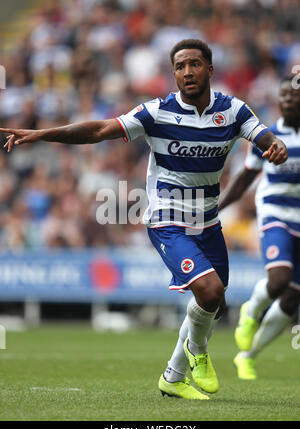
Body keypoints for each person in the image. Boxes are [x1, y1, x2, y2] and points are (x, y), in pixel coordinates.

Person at [0, 39, 288, 399]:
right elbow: (99, 131)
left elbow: (264, 136)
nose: (187, 72)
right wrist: (42, 134)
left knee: (212, 303)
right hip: (167, 218)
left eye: (194, 64)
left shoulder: (233, 111)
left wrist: (274, 145)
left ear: (210, 70)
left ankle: (173, 376)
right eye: (180, 67)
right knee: (210, 291)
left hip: (208, 220)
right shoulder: (157, 112)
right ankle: (197, 353)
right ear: (174, 74)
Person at [219, 76, 300, 380]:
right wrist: (217, 209)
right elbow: (244, 179)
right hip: (275, 214)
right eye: (284, 96)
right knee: (278, 280)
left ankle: (248, 356)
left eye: (294, 96)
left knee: (293, 300)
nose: (288, 100)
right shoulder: (269, 136)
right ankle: (250, 312)